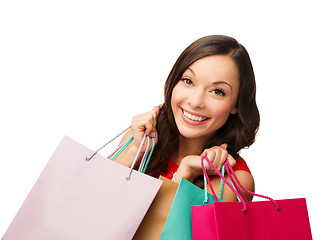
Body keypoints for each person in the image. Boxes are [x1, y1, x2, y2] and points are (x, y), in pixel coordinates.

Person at [115, 35, 258, 202]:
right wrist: (135, 150)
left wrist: (184, 175)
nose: (196, 101)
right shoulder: (139, 140)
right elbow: (90, 200)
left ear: (237, 105)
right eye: (188, 81)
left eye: (218, 91)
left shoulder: (233, 181)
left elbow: (159, 228)